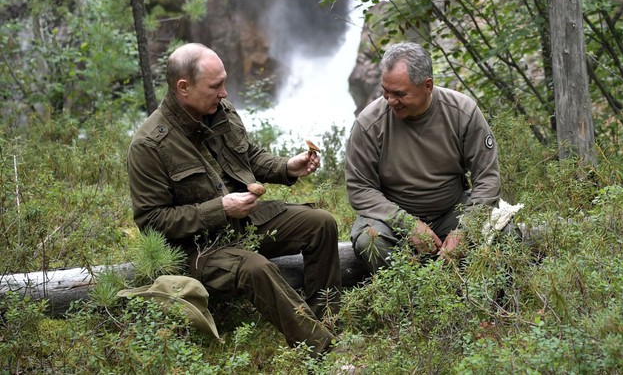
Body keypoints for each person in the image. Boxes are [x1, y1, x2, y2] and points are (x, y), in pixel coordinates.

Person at [127, 43, 340, 356]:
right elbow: (152, 222)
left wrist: (286, 167)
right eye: (215, 86)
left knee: (321, 223)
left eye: (224, 82)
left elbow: (247, 156)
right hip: (198, 249)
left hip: (244, 224)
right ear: (183, 87)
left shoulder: (219, 111)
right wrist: (221, 209)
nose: (225, 92)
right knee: (256, 268)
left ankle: (326, 320)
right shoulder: (149, 145)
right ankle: (321, 348)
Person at [346, 42, 501, 273]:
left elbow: (488, 178)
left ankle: (466, 288)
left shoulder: (463, 112)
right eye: (385, 91)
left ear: (427, 86)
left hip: (451, 211)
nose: (390, 100)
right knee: (370, 241)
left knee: (503, 232)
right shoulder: (369, 123)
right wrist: (407, 224)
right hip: (392, 218)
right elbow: (359, 188)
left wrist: (465, 230)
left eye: (399, 94)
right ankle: (408, 293)